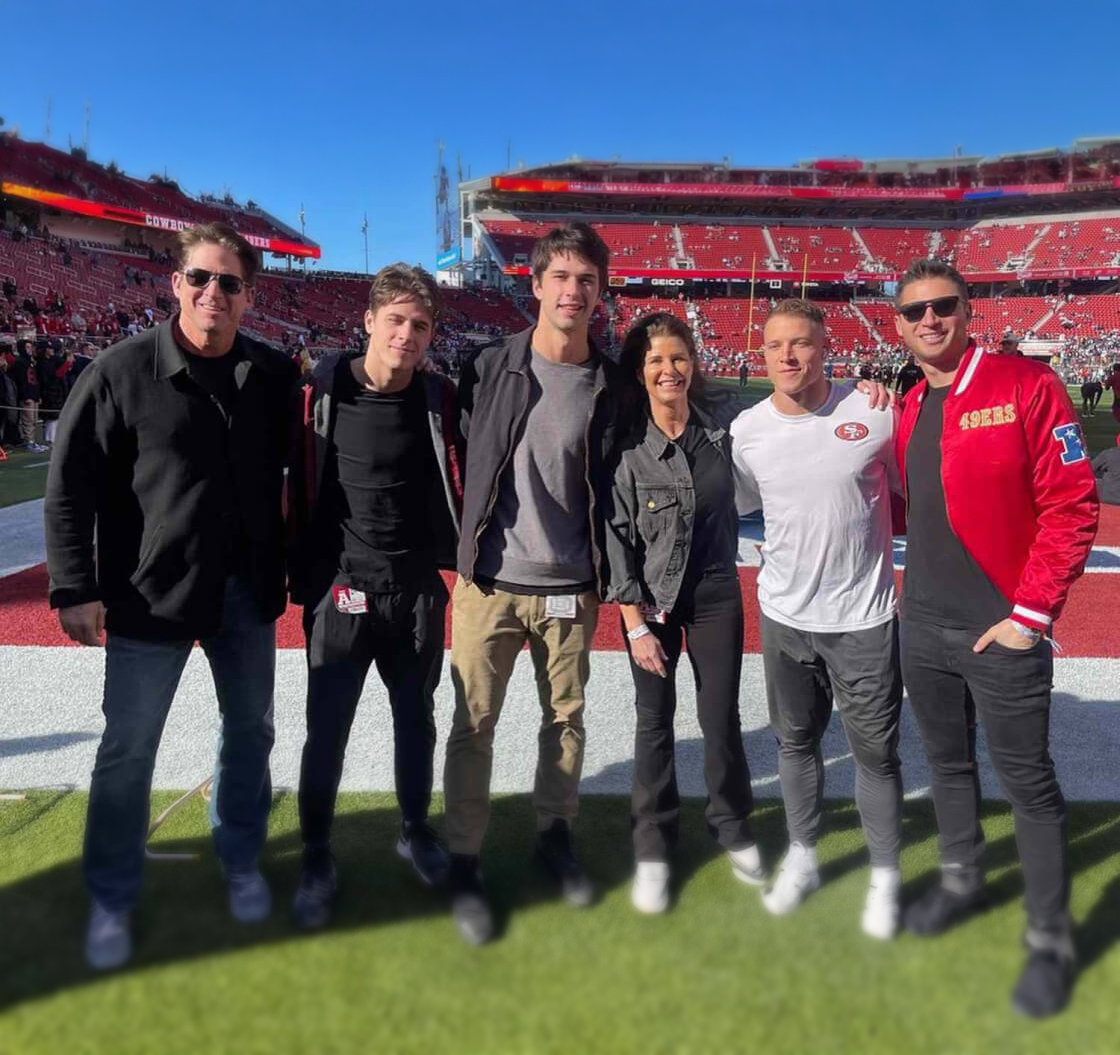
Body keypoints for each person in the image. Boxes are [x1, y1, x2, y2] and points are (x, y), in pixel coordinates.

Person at [45, 222, 299, 971]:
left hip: (245, 591)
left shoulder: (274, 375)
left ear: (249, 295)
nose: (213, 292)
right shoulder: (118, 371)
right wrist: (75, 586)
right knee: (128, 748)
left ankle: (240, 858)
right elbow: (69, 487)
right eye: (200, 277)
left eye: (229, 282)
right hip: (147, 594)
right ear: (175, 282)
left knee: (249, 731)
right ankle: (112, 895)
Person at [892, 258, 1098, 1018]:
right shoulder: (910, 402)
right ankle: (962, 881)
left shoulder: (1026, 384)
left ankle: (1049, 940)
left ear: (967, 309)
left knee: (1027, 784)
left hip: (1001, 628)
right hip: (923, 624)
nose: (930, 319)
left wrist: (1030, 616)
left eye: (943, 305)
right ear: (898, 325)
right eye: (915, 310)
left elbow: (1073, 503)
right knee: (947, 767)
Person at [442, 223, 621, 945]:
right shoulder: (490, 366)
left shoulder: (610, 382)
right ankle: (463, 857)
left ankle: (554, 834)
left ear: (599, 293)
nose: (573, 290)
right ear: (538, 283)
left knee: (566, 721)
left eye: (587, 280)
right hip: (490, 582)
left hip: (571, 582)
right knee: (472, 724)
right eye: (562, 277)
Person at [285, 264, 463, 930]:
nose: (406, 334)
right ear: (368, 321)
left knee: (416, 719)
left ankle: (415, 830)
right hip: (341, 591)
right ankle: (315, 854)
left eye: (420, 325)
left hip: (415, 590)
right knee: (327, 728)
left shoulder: (440, 400)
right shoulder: (322, 392)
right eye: (395, 320)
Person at [729, 300, 904, 940]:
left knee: (876, 754)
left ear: (826, 347)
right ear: (762, 354)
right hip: (785, 614)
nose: (788, 356)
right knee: (795, 743)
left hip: (863, 615)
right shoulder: (747, 430)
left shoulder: (875, 412)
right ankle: (802, 854)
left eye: (801, 343)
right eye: (776, 345)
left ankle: (884, 875)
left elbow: (913, 490)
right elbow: (744, 503)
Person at [603, 313, 764, 915]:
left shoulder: (724, 426)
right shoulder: (627, 449)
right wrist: (635, 625)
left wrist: (866, 390)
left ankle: (732, 824)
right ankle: (652, 842)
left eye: (678, 357)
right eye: (655, 360)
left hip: (718, 591)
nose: (668, 370)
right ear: (639, 372)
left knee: (721, 717)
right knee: (654, 720)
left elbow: (793, 410)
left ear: (693, 364)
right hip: (652, 603)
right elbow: (616, 541)